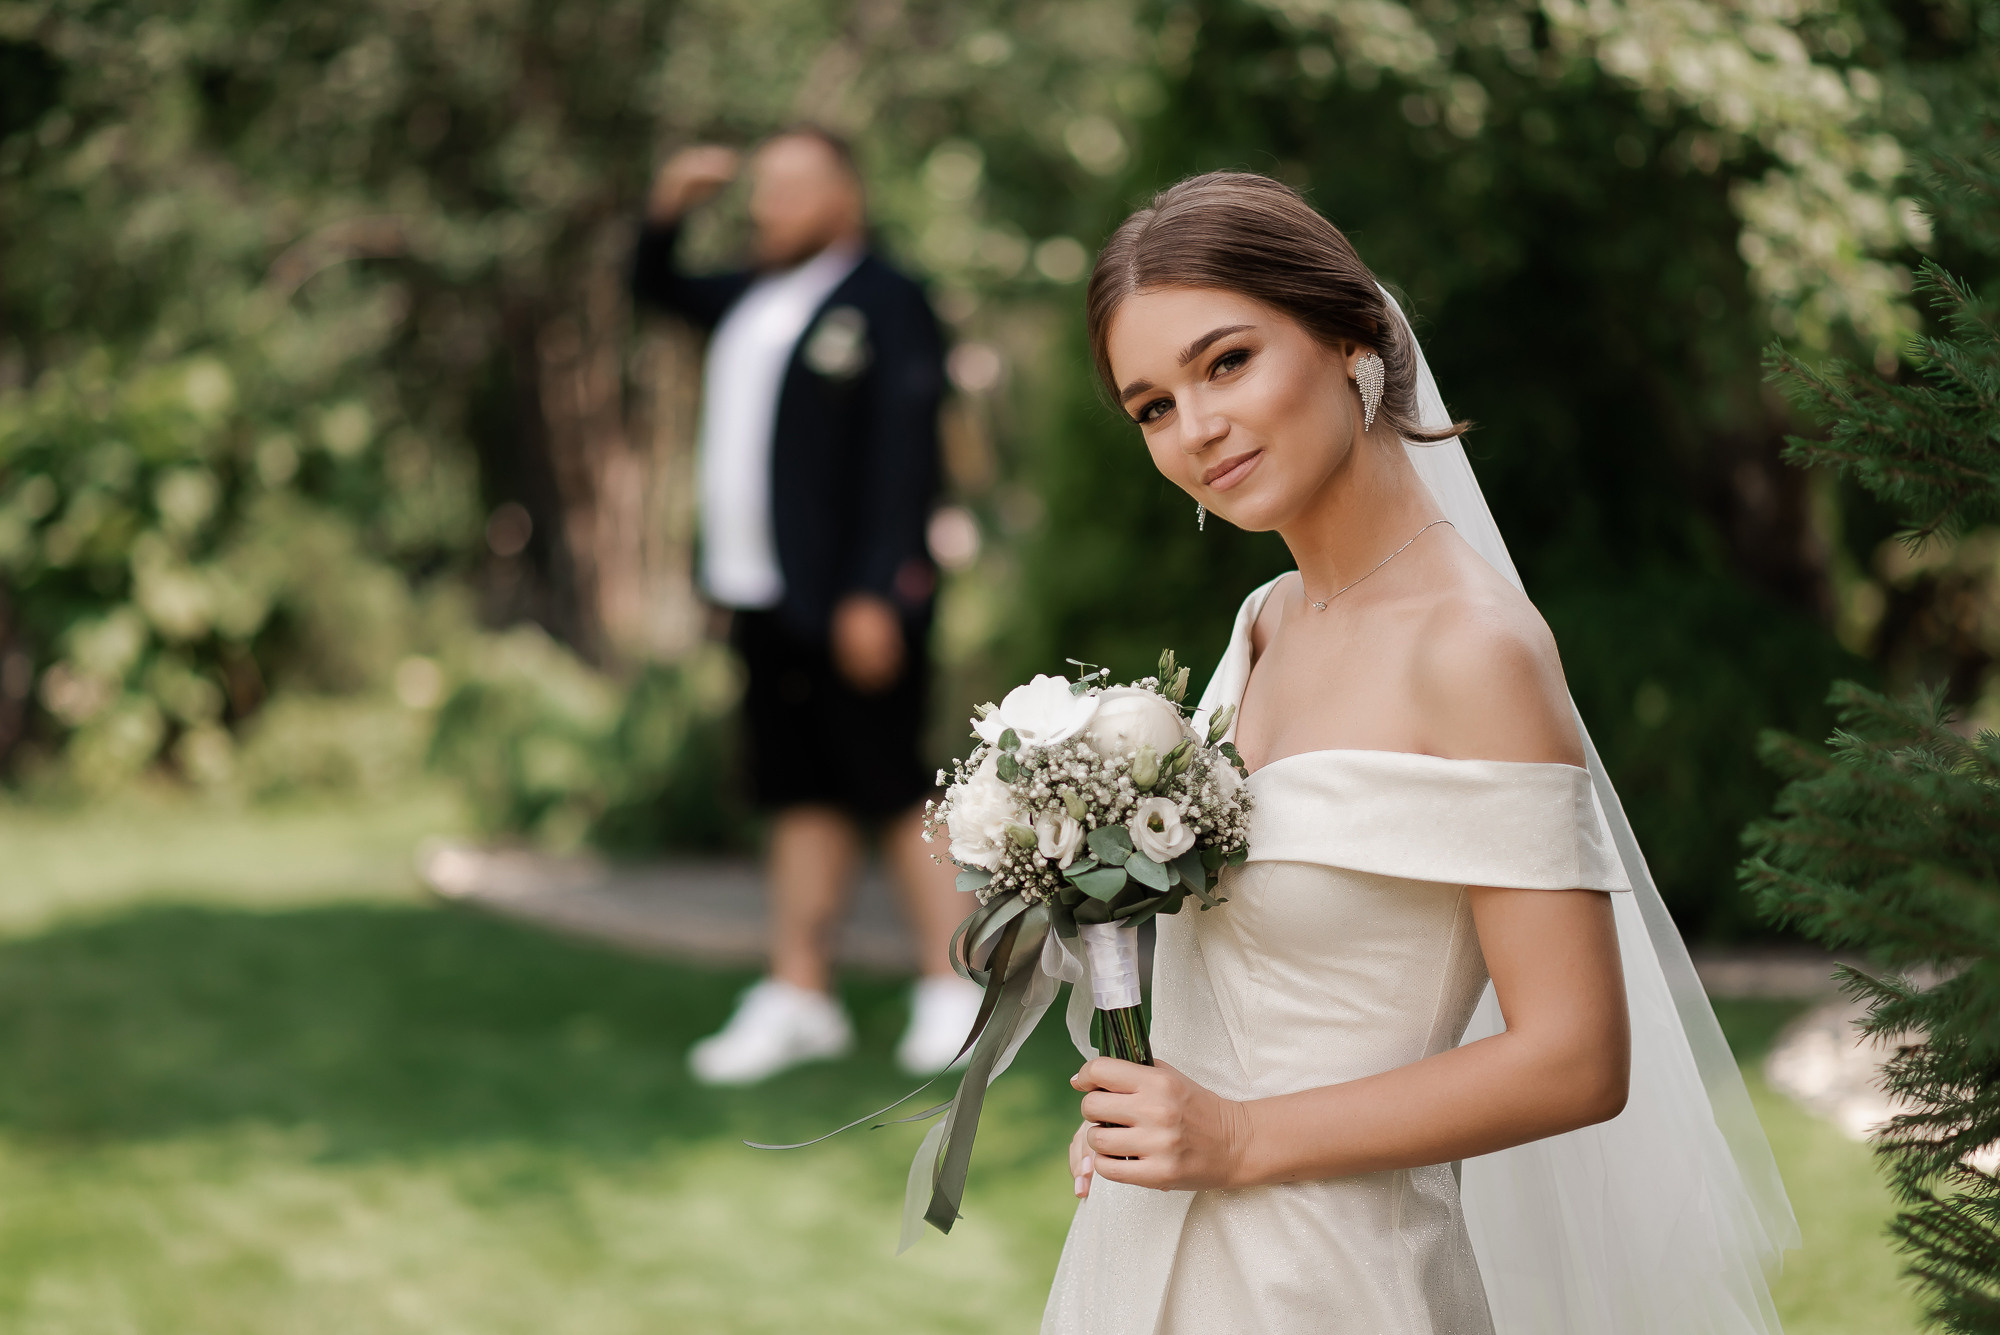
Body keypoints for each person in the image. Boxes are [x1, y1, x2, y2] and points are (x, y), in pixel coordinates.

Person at [1042, 174, 1795, 1333]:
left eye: (1226, 361)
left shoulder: (1473, 650)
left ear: (1353, 339)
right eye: (1150, 405)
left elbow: (1575, 1057)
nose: (1194, 428)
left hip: (1333, 1283)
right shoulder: (1264, 622)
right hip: (1142, 1264)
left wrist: (1238, 1137)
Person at [630, 128, 979, 1084]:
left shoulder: (886, 300)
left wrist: (877, 588)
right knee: (798, 790)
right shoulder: (751, 295)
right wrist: (668, 206)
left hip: (854, 599)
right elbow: (654, 289)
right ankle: (800, 993)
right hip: (761, 596)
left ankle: (952, 988)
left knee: (892, 782)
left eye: (790, 186)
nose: (765, 204)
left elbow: (905, 454)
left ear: (845, 196)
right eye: (761, 187)